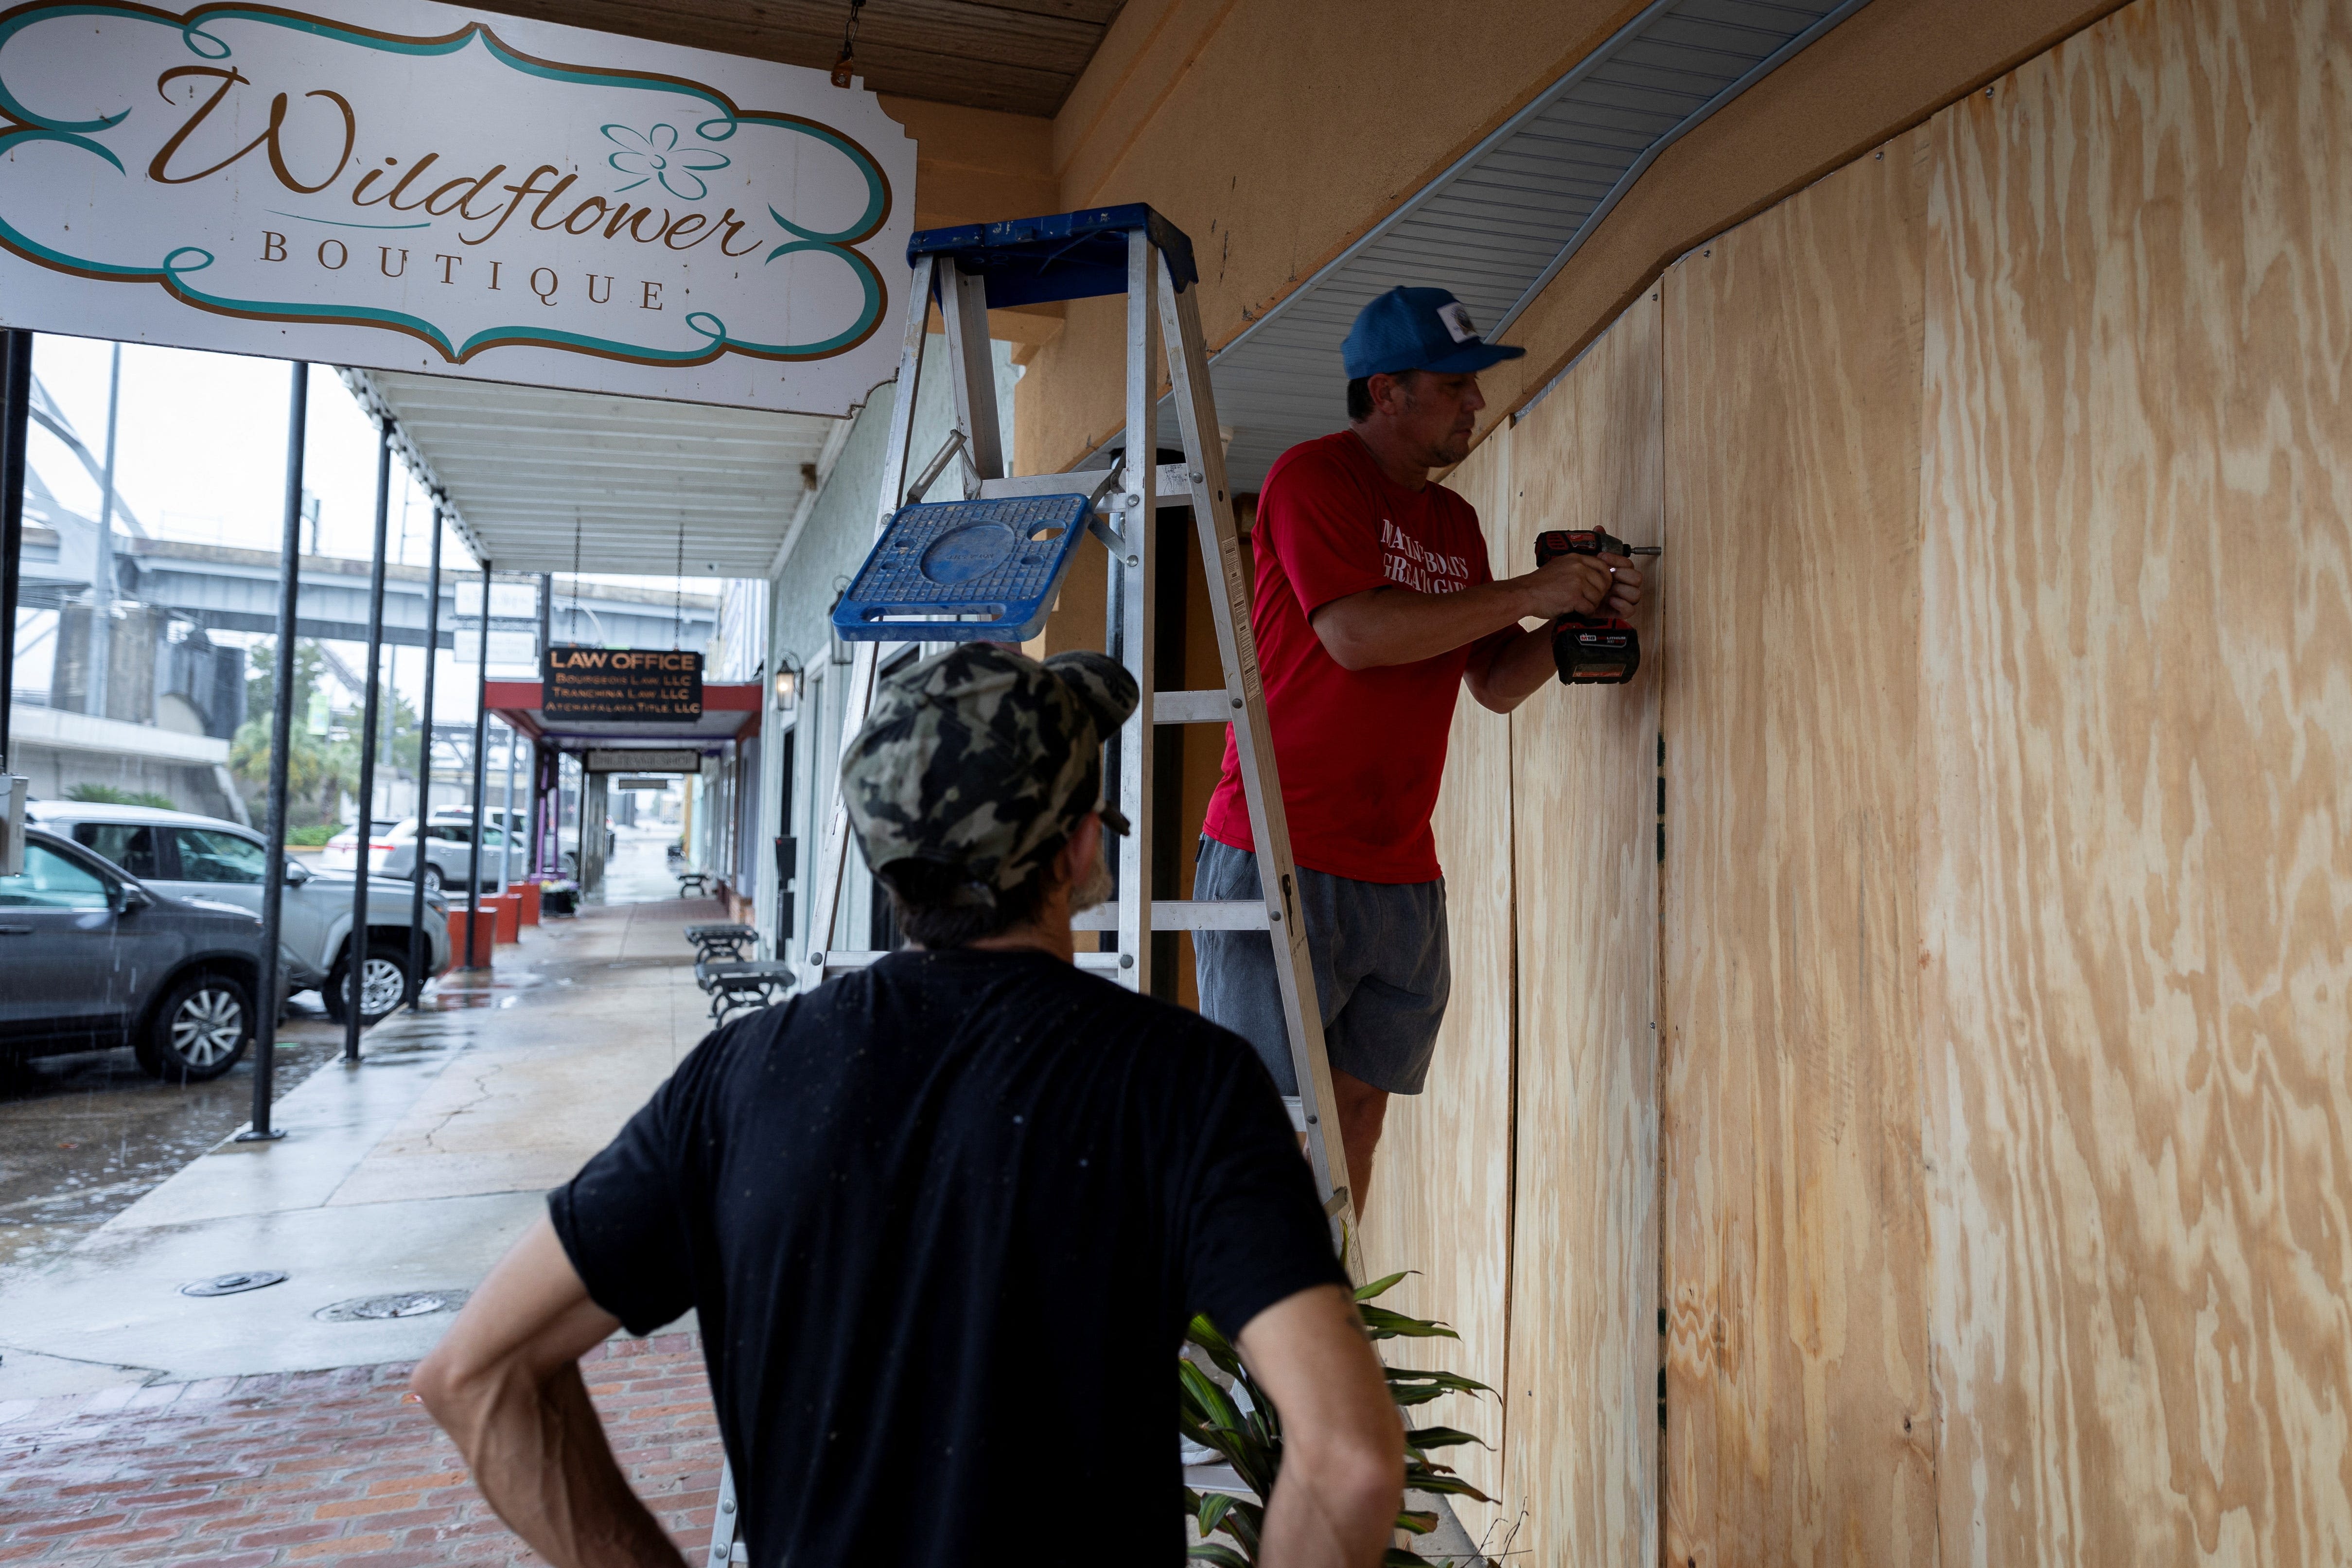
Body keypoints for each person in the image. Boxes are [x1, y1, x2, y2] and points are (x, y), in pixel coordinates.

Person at [413, 644, 1405, 1568]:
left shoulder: (738, 1077)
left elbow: (475, 1375)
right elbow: (1347, 1456)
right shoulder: (1184, 1080)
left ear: (888, 864)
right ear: (1079, 851)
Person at [1195, 285, 1644, 1216]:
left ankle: (1327, 1315)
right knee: (1268, 1126)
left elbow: (1490, 681)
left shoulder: (1454, 525)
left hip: (1399, 869)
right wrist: (1532, 586)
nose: (1476, 403)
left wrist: (1567, 628)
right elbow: (1357, 635)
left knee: (1357, 1118)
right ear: (1387, 392)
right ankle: (1247, 1356)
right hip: (1280, 850)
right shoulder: (1311, 477)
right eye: (1456, 386)